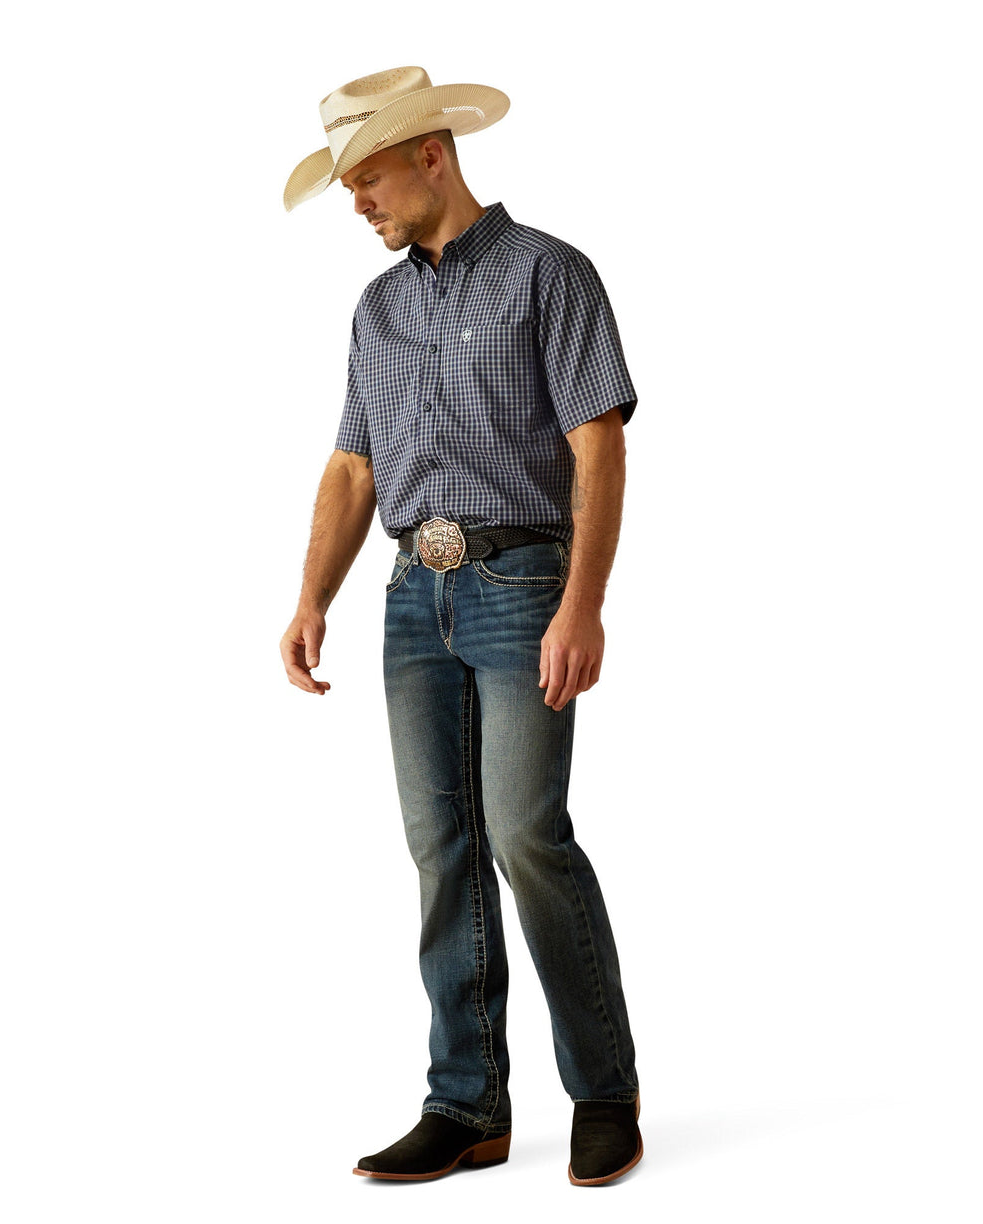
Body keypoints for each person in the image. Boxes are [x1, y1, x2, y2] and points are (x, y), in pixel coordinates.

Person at [279, 66, 642, 1186]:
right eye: (347, 185)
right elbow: (353, 465)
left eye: (369, 177)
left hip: (523, 583)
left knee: (526, 834)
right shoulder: (378, 308)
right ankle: (468, 1103)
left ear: (432, 153)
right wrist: (311, 598)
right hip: (410, 599)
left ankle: (604, 1092)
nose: (358, 203)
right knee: (441, 854)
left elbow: (599, 445)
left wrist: (582, 602)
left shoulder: (550, 275)